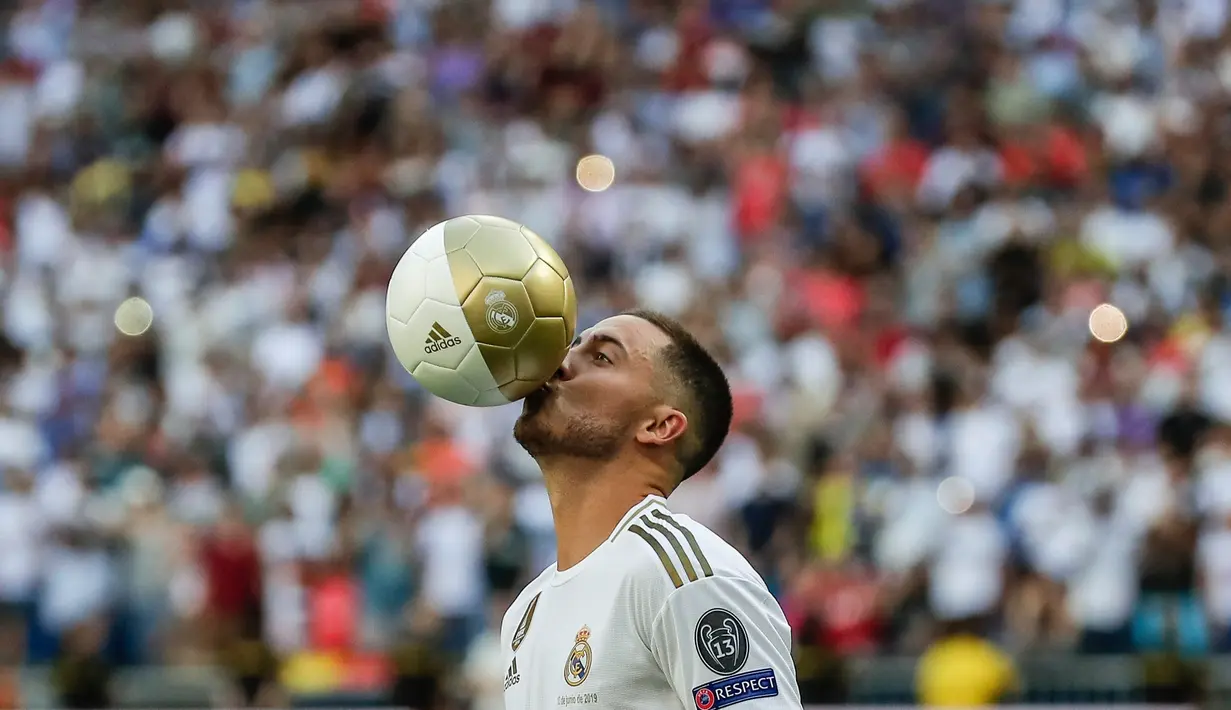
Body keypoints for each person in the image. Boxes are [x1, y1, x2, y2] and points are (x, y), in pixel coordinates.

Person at [502, 310, 802, 709]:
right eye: (573, 347)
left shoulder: (683, 579)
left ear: (659, 426)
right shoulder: (525, 611)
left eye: (602, 357)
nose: (557, 364)